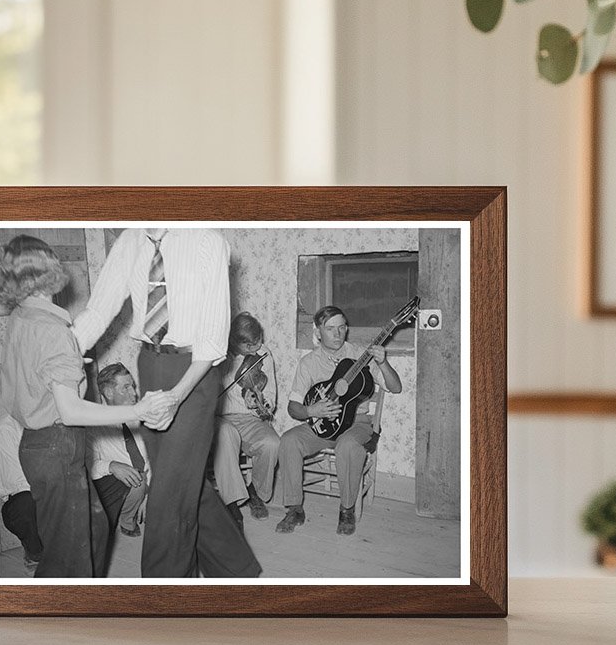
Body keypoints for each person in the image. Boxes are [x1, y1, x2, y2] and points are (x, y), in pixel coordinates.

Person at [73, 228, 261, 578]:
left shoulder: (206, 241)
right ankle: (237, 568)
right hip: (150, 363)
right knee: (181, 480)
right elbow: (99, 310)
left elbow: (212, 337)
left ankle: (164, 597)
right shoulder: (129, 241)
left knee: (167, 495)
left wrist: (176, 396)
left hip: (195, 370)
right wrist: (62, 352)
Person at [0, 234, 165, 578]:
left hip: (34, 444)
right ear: (51, 270)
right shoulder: (53, 330)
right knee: (69, 556)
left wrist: (65, 367)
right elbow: (72, 411)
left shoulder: (20, 319)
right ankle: (64, 620)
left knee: (94, 527)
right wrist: (137, 411)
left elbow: (22, 381)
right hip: (57, 443)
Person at [276, 305, 402, 536]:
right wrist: (312, 410)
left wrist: (383, 362)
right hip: (321, 425)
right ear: (318, 332)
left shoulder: (360, 355)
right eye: (330, 328)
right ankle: (294, 509)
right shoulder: (308, 363)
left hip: (357, 423)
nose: (337, 333)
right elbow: (293, 408)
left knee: (348, 446)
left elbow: (395, 387)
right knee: (289, 440)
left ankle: (346, 509)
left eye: (342, 327)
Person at [213, 312, 280, 531]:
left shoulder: (264, 355)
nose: (256, 348)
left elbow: (271, 399)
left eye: (258, 341)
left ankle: (256, 493)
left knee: (272, 443)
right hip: (220, 417)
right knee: (226, 435)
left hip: (250, 418)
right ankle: (232, 501)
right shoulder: (218, 357)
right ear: (234, 343)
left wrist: (260, 403)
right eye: (249, 346)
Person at [88, 362, 150, 541]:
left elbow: (156, 458)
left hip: (145, 481)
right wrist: (112, 466)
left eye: (133, 386)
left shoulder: (142, 416)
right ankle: (126, 517)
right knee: (134, 477)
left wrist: (149, 492)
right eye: (126, 387)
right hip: (119, 486)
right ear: (108, 393)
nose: (134, 393)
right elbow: (87, 465)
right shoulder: (94, 423)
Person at [0, 410, 43, 573]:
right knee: (26, 503)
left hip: (43, 490)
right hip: (19, 499)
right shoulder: (3, 427)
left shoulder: (37, 420)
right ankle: (35, 554)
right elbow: (15, 481)